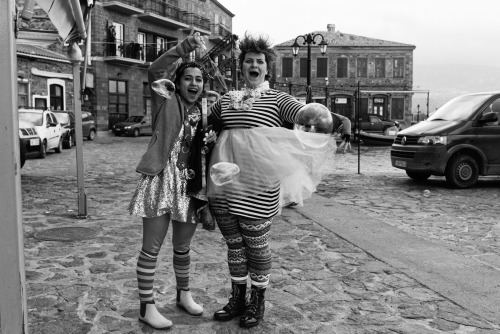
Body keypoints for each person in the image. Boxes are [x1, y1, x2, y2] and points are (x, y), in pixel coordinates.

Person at [207, 33, 334, 328]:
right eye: (249, 61)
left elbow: (308, 116)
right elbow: (205, 128)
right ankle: (238, 298)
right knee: (234, 245)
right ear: (241, 68)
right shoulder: (226, 101)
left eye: (259, 62)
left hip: (259, 188)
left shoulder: (278, 100)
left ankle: (257, 302)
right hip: (224, 187)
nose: (254, 65)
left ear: (267, 69)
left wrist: (340, 120)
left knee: (256, 245)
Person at [128, 32, 216, 330]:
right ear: (177, 84)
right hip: (160, 181)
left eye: (199, 80)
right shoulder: (165, 100)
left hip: (189, 187)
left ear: (204, 87)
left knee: (182, 246)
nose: (194, 84)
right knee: (151, 247)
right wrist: (185, 48)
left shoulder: (205, 112)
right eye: (188, 79)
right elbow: (155, 70)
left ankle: (183, 294)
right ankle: (146, 306)